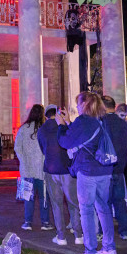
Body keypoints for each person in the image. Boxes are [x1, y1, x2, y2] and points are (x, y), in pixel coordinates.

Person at [58, 92, 117, 254]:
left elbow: (66, 142)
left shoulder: (83, 121)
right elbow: (84, 137)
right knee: (104, 208)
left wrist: (62, 126)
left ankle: (91, 251)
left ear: (84, 105)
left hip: (88, 170)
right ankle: (109, 248)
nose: (76, 107)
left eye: (78, 104)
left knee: (87, 210)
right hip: (105, 170)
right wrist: (69, 122)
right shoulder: (101, 120)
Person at [38, 104, 83, 245]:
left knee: (56, 204)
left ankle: (61, 236)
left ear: (45, 116)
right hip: (67, 169)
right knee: (73, 203)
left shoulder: (42, 130)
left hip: (51, 169)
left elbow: (42, 149)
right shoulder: (63, 126)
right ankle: (78, 235)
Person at [15, 104, 51, 231]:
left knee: (28, 197)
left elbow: (17, 147)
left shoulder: (24, 128)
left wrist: (23, 161)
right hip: (42, 168)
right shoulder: (44, 128)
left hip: (27, 168)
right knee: (43, 197)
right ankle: (45, 222)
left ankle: (27, 222)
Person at [102, 96, 127, 241]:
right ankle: (124, 231)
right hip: (120, 168)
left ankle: (104, 232)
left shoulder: (101, 123)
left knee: (104, 202)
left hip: (105, 168)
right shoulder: (123, 124)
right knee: (119, 201)